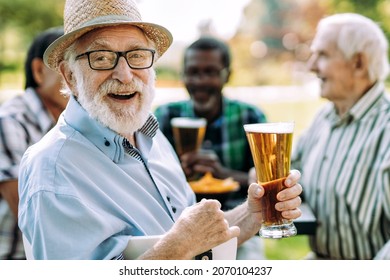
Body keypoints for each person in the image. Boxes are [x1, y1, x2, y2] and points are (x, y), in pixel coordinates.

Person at [17, 0, 302, 260]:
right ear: (70, 75)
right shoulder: (52, 169)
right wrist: (177, 248)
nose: (125, 74)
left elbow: (197, 239)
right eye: (101, 58)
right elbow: (184, 242)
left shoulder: (151, 135)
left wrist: (252, 213)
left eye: (137, 55)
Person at [154, 37, 268, 259]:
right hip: (176, 229)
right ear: (183, 75)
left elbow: (267, 182)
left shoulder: (249, 117)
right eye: (193, 72)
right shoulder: (165, 116)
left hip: (239, 228)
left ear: (228, 75)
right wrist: (178, 175)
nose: (200, 81)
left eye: (210, 72)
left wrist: (224, 175)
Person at [291, 13, 390, 259]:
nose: (312, 66)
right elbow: (291, 173)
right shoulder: (325, 117)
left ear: (358, 63)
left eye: (322, 55)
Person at [0, 27, 67, 260]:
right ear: (39, 71)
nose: (78, 76)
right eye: (67, 66)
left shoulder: (71, 123)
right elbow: (28, 215)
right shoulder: (9, 122)